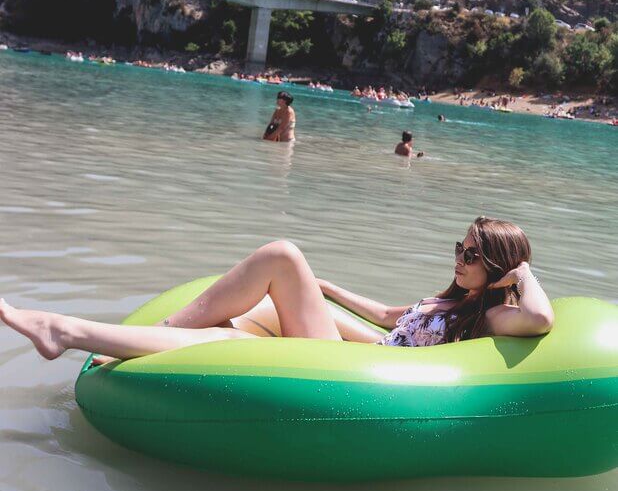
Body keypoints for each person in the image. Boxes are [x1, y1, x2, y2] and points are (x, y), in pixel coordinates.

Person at [0, 217, 554, 362]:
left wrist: (523, 273)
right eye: (459, 247)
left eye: (474, 255)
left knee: (282, 255)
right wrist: (328, 288)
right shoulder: (453, 300)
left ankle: (65, 330)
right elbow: (389, 316)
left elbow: (541, 321)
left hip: (357, 375)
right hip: (371, 353)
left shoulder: (488, 318)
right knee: (271, 292)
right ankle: (137, 337)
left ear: (500, 267)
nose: (460, 258)